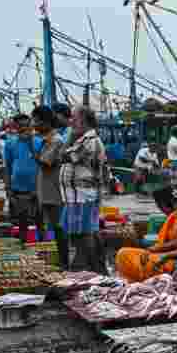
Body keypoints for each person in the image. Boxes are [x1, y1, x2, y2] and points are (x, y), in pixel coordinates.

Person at [59, 105, 108, 273]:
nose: (71, 121)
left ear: (83, 120)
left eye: (74, 118)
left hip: (83, 195)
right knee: (80, 232)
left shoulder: (90, 141)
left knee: (85, 233)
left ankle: (89, 267)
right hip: (75, 195)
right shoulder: (83, 139)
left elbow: (64, 155)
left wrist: (70, 137)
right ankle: (88, 266)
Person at [114, 187, 177, 282]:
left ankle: (137, 281)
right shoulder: (175, 216)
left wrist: (159, 252)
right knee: (124, 253)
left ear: (163, 205)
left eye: (159, 206)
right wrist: (153, 249)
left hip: (173, 262)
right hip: (165, 255)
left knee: (125, 256)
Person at [31, 106, 68, 269]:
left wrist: (30, 145)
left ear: (46, 122)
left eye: (37, 121)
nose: (34, 124)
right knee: (48, 226)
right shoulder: (45, 139)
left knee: (58, 228)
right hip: (45, 190)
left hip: (54, 192)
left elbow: (45, 162)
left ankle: (64, 261)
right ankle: (55, 260)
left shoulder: (56, 140)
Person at [4, 114, 42, 245]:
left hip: (37, 189)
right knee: (21, 223)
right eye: (20, 126)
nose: (24, 128)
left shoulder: (39, 142)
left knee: (40, 222)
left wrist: (30, 142)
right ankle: (23, 249)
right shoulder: (10, 143)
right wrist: (8, 189)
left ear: (31, 126)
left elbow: (43, 166)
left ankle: (43, 247)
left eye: (27, 125)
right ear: (15, 127)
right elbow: (7, 167)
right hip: (18, 190)